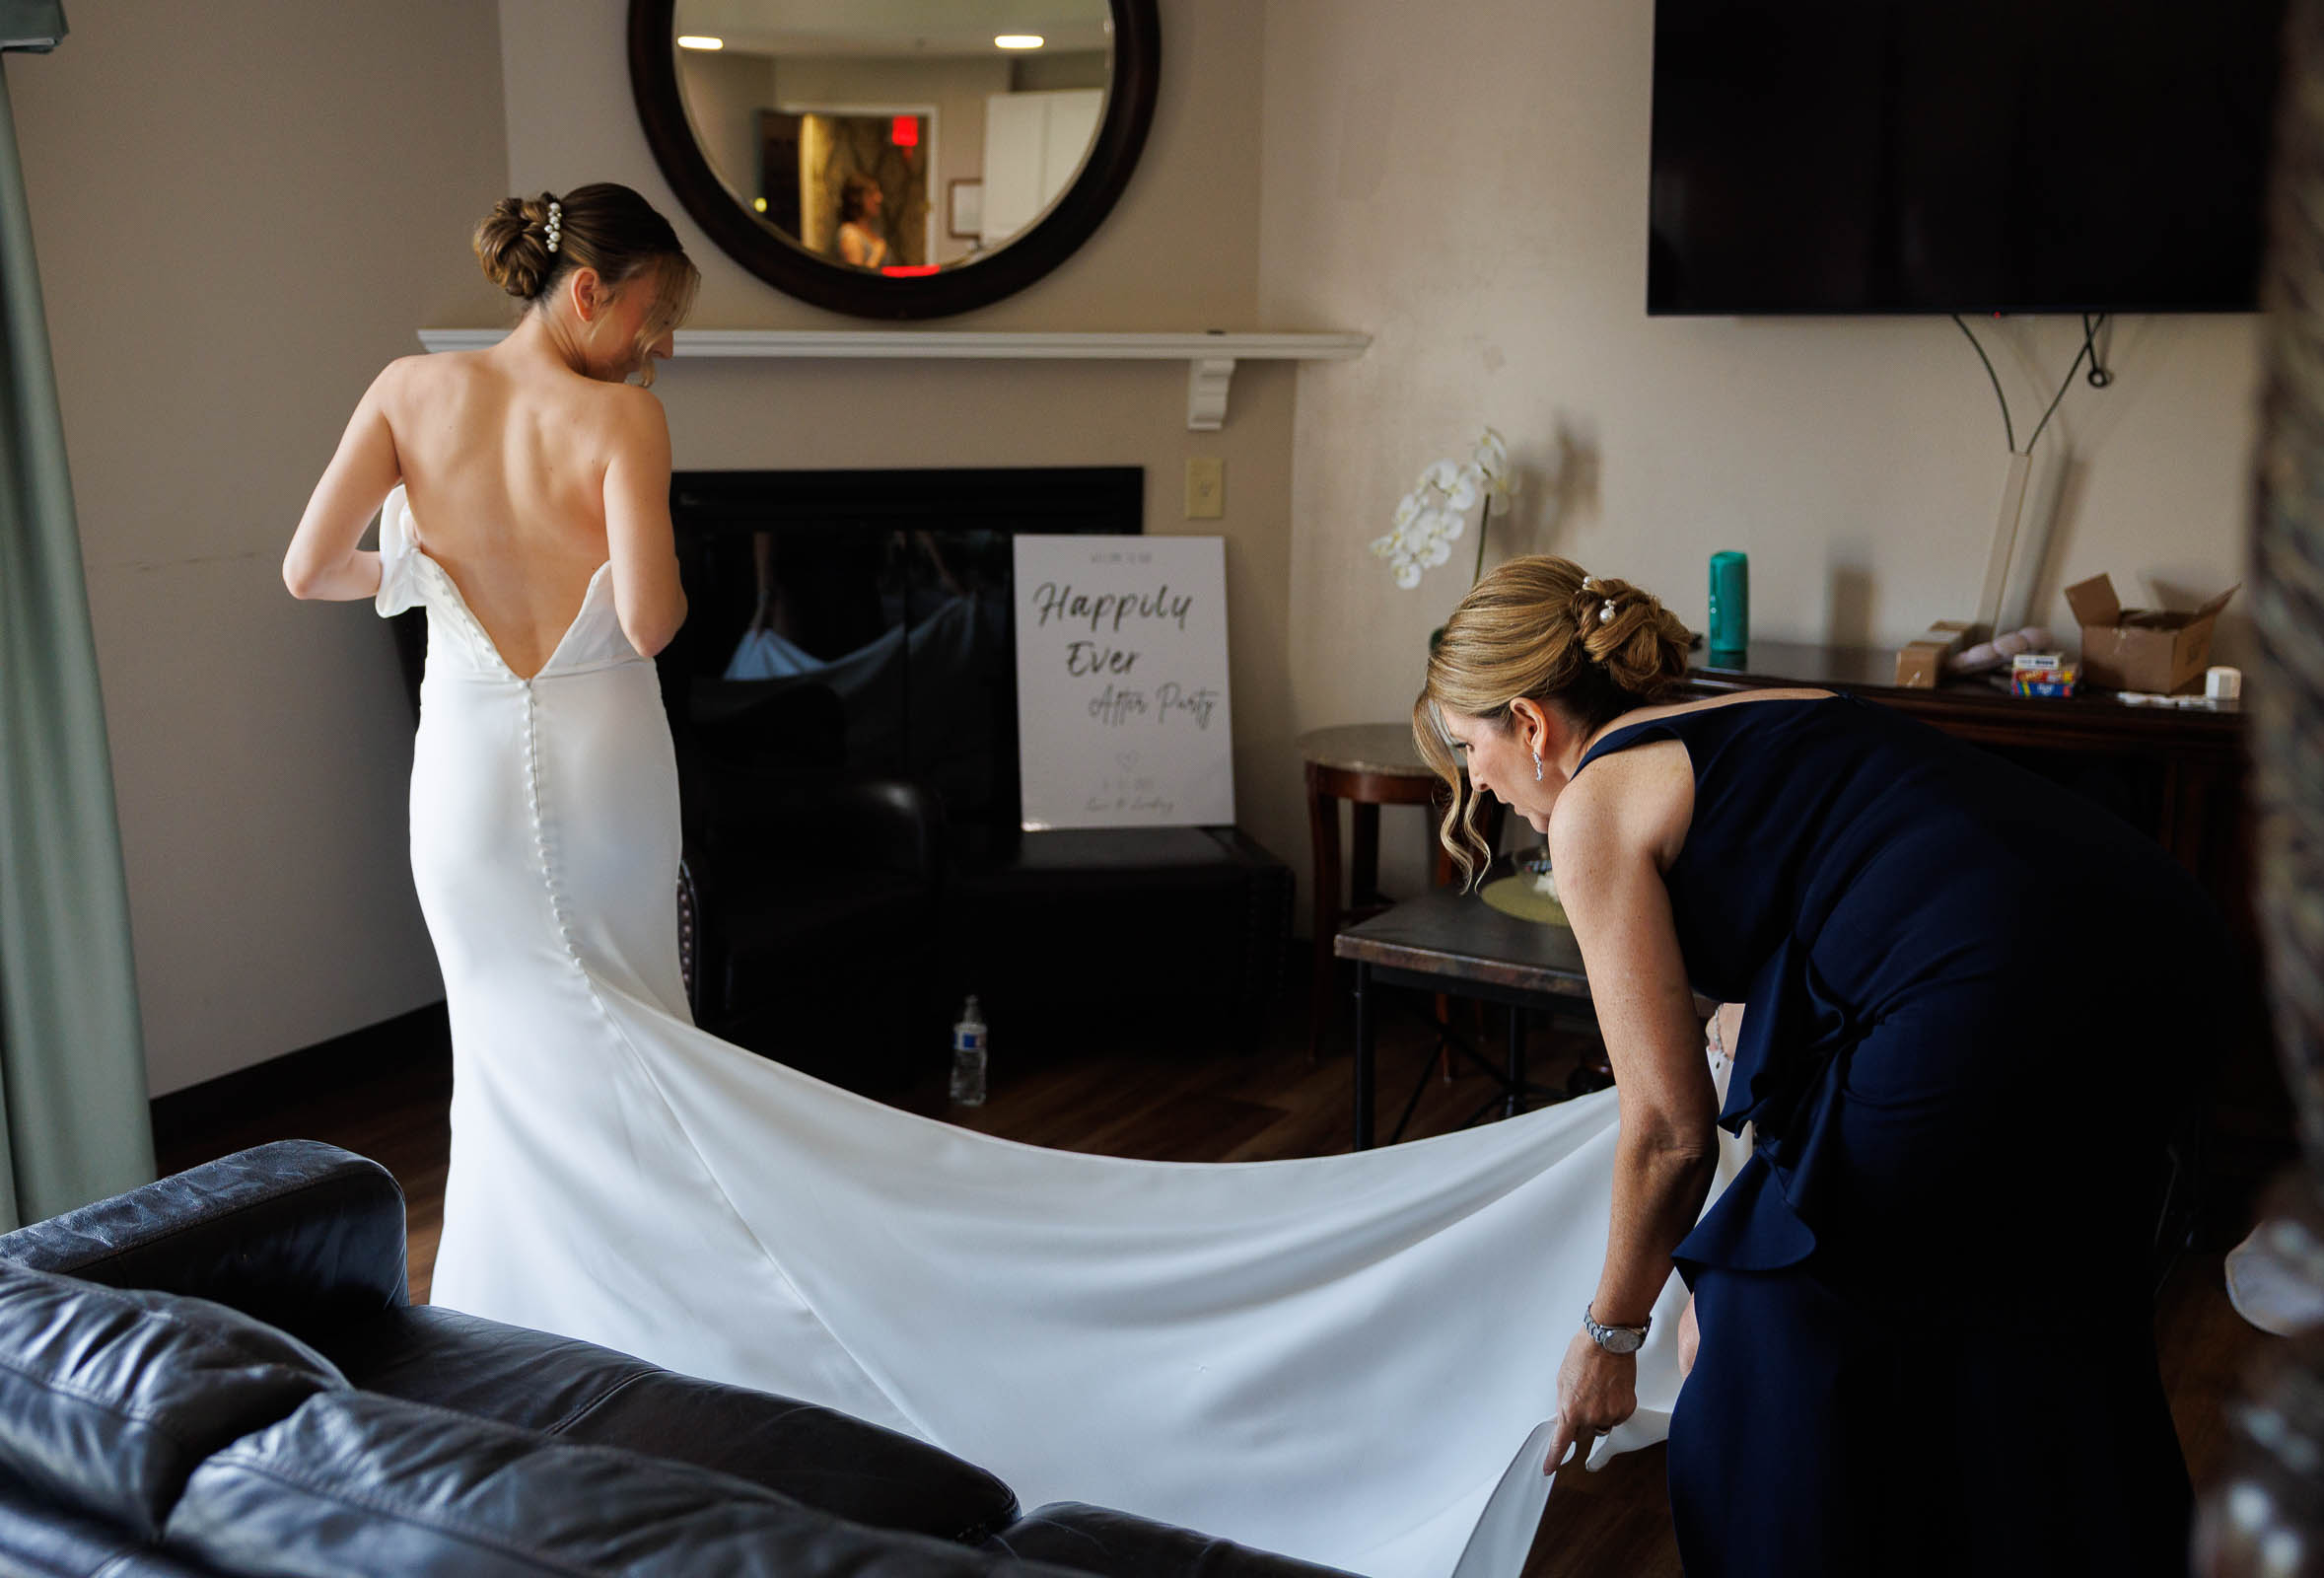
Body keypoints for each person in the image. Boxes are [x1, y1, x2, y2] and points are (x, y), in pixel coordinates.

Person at [279, 182, 1747, 1578]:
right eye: (655, 317)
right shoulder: (619, 419)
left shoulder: (409, 394)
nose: (661, 347)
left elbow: (311, 569)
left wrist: (429, 575)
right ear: (589, 291)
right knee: (622, 1034)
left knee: (512, 1044)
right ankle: (633, 1313)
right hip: (599, 773)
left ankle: (517, 1325)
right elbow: (654, 620)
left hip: (465, 778)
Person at [1413, 554, 2222, 1576]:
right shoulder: (1750, 711)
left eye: (1469, 746)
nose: (1476, 783)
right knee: (2047, 1308)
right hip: (2165, 949)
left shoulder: (1595, 807)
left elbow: (1667, 1134)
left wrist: (1610, 1337)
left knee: (1754, 1332)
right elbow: (1860, 890)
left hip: (1997, 986)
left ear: (1530, 724)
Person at [835, 174, 888, 269]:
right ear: (856, 199)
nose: (879, 198)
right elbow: (857, 277)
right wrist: (876, 255)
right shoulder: (850, 235)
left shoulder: (873, 230)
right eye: (871, 193)